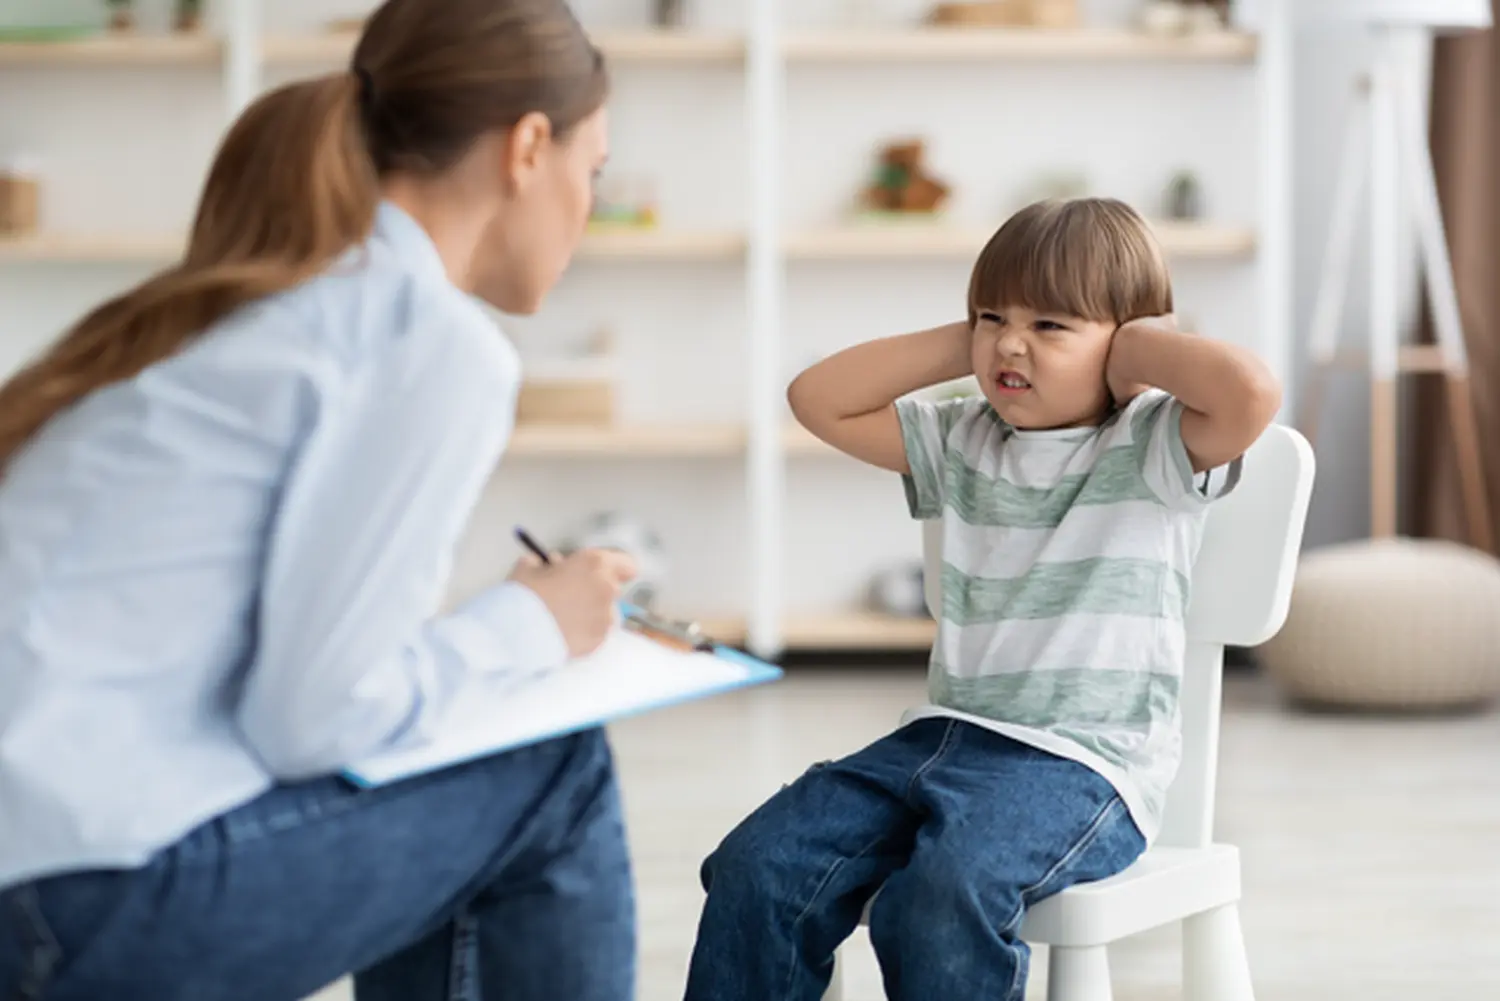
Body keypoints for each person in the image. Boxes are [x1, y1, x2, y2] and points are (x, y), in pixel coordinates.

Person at [0, 1, 643, 999]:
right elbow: (313, 719)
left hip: (33, 856)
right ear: (526, 148)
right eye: (591, 172)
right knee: (551, 763)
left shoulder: (250, 298)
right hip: (73, 896)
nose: (589, 208)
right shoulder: (425, 334)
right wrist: (531, 621)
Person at [682, 197, 1282, 1001]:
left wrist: (1135, 344)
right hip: (943, 738)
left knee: (936, 898)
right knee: (759, 865)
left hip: (1084, 764)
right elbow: (815, 397)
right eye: (994, 317)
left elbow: (1250, 393)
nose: (1010, 342)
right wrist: (978, 335)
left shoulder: (1153, 443)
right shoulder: (962, 436)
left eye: (1053, 326)